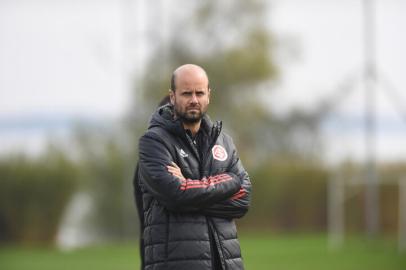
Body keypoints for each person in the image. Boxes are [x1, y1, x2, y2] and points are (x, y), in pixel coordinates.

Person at [133, 64, 251, 270]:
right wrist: (228, 182)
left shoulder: (224, 142)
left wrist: (190, 186)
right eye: (187, 93)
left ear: (209, 95)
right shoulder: (153, 142)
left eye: (199, 93)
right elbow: (175, 195)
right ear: (173, 96)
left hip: (225, 264)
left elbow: (243, 199)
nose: (194, 100)